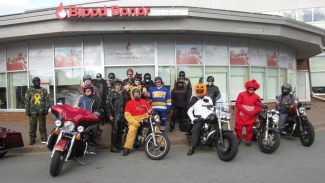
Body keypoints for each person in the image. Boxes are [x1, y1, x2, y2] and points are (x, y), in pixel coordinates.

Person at [123, 86, 152, 156]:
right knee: (132, 130)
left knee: (155, 126)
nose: (136, 95)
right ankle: (127, 148)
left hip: (145, 118)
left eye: (138, 93)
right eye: (135, 94)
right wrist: (134, 122)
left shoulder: (144, 101)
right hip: (134, 119)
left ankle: (161, 144)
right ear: (132, 94)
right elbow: (127, 115)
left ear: (140, 94)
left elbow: (150, 109)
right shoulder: (129, 103)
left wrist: (150, 115)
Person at [187, 83, 214, 156]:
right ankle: (192, 147)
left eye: (201, 89)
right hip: (198, 118)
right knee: (196, 128)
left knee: (216, 123)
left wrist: (206, 116)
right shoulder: (194, 99)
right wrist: (193, 119)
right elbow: (189, 111)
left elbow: (211, 109)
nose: (199, 91)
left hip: (208, 116)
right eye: (198, 90)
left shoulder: (208, 99)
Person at [235, 79, 262, 147]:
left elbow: (259, 107)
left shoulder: (257, 97)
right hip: (241, 116)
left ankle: (248, 141)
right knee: (238, 128)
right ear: (247, 88)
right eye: (250, 89)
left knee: (250, 130)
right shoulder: (241, 94)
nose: (251, 90)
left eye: (253, 89)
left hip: (251, 117)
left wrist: (253, 113)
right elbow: (238, 104)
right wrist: (246, 111)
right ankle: (239, 139)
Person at [24, 77, 50, 145]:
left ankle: (44, 138)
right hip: (32, 111)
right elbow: (26, 101)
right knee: (32, 126)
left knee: (42, 125)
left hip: (41, 111)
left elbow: (46, 100)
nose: (37, 82)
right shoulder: (29, 90)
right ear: (33, 82)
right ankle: (32, 139)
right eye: (35, 81)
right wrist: (27, 109)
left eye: (38, 81)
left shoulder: (43, 90)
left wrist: (47, 108)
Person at [106, 78, 129, 153]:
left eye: (119, 84)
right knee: (115, 131)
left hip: (123, 113)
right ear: (114, 85)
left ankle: (119, 145)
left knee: (120, 131)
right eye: (116, 84)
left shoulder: (124, 93)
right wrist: (109, 115)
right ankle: (113, 147)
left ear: (121, 85)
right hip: (115, 113)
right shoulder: (111, 93)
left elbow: (127, 102)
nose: (118, 86)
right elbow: (108, 105)